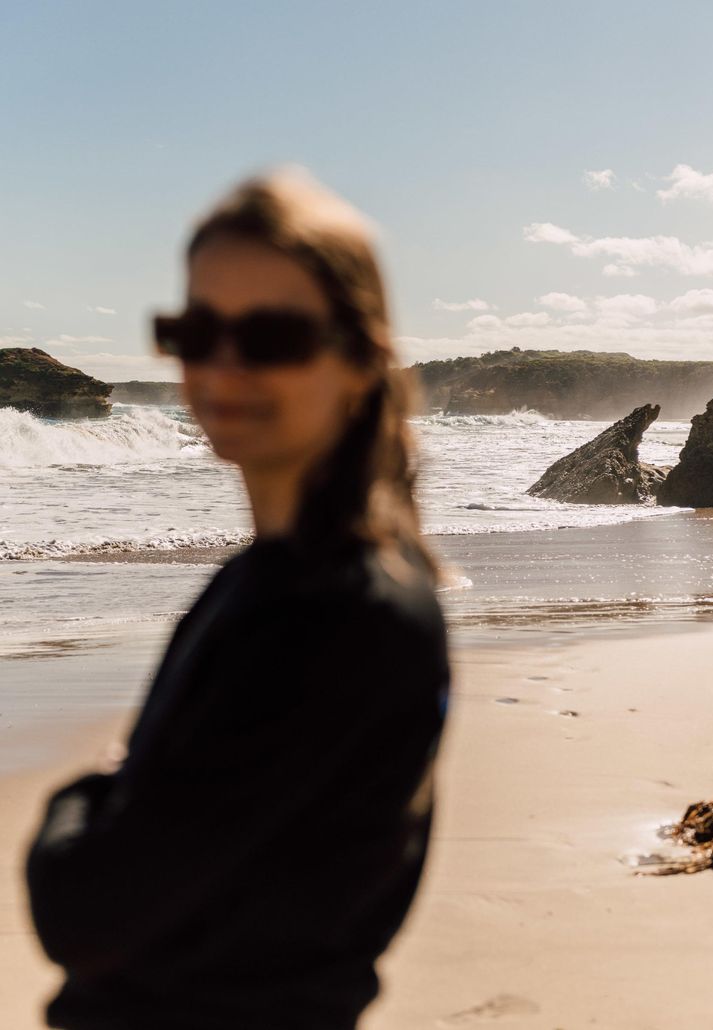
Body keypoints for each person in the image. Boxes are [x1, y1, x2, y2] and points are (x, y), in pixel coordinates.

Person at [25, 165, 452, 1030]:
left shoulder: (339, 614)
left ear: (360, 361)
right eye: (195, 331)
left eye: (273, 337)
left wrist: (75, 800)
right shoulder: (282, 578)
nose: (223, 365)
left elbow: (82, 915)